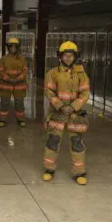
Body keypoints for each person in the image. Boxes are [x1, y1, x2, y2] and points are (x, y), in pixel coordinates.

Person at [43, 41, 90, 185]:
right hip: (58, 114)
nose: (68, 58)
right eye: (65, 55)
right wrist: (60, 105)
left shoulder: (81, 74)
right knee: (53, 141)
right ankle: (49, 170)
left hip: (74, 115)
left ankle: (79, 172)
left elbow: (85, 92)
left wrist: (74, 106)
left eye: (71, 56)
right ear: (60, 56)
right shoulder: (52, 73)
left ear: (75, 57)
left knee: (76, 143)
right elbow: (49, 91)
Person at [0, 37, 28, 127]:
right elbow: (1, 70)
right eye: (11, 46)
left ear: (18, 47)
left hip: (19, 85)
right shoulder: (4, 59)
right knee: (4, 103)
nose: (13, 48)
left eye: (15, 46)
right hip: (6, 85)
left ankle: (21, 120)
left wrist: (18, 79)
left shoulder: (22, 59)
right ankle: (2, 120)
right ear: (8, 47)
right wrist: (8, 79)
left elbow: (25, 70)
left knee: (19, 103)